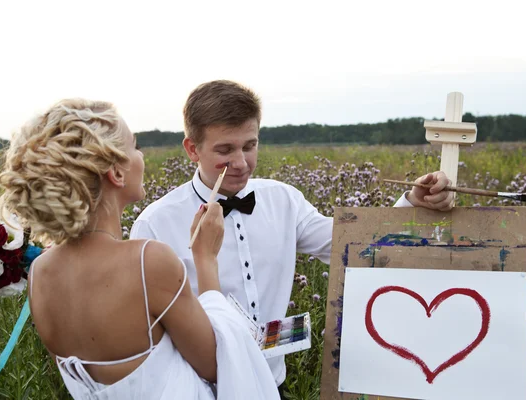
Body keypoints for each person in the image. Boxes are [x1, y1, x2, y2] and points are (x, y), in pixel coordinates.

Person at [130, 80, 455, 396]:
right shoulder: (154, 224)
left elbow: (351, 246)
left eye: (250, 145)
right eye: (225, 150)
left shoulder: (284, 200)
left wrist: (413, 201)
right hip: (199, 391)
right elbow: (145, 335)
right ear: (192, 148)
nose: (242, 163)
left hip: (272, 385)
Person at [0, 99, 280, 399]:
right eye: (135, 146)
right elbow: (218, 365)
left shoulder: (40, 272)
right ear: (117, 174)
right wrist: (206, 259)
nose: (141, 155)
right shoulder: (147, 262)